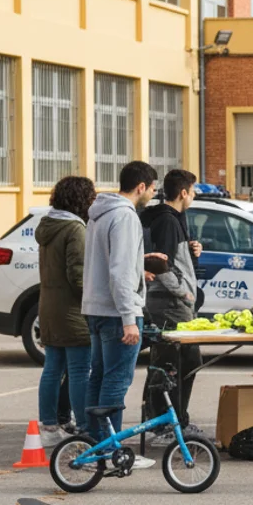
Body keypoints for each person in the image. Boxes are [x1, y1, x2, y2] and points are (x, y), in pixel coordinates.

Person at [82, 161, 158, 469]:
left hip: (96, 308)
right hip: (117, 313)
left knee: (98, 376)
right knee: (116, 379)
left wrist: (141, 263)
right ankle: (112, 452)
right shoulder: (125, 217)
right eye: (153, 188)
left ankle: (91, 445)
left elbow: (112, 262)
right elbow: (119, 271)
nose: (153, 193)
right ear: (141, 187)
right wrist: (129, 316)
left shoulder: (100, 213)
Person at [141, 169, 204, 446]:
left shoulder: (175, 219)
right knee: (173, 364)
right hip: (169, 304)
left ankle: (173, 420)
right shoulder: (167, 221)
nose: (194, 196)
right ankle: (165, 425)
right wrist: (184, 293)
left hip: (174, 302)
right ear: (183, 193)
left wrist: (192, 253)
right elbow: (159, 265)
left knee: (178, 363)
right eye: (193, 192)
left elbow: (174, 260)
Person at [36, 176, 97, 446]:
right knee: (80, 369)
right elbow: (78, 275)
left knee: (52, 368)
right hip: (73, 311)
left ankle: (48, 427)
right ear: (81, 200)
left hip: (49, 307)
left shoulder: (48, 226)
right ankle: (84, 427)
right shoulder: (75, 229)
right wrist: (94, 300)